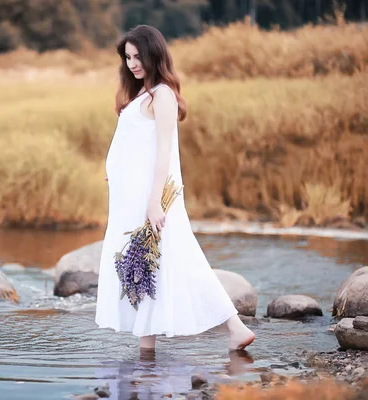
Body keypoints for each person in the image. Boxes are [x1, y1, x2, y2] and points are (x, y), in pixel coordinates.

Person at [95, 25, 255, 353]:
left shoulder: (163, 95)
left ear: (155, 54)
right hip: (130, 197)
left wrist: (154, 202)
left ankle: (234, 326)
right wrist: (116, 169)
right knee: (147, 263)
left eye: (138, 56)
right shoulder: (140, 94)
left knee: (175, 257)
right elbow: (133, 142)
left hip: (150, 196)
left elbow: (164, 152)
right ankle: (147, 345)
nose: (132, 64)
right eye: (127, 58)